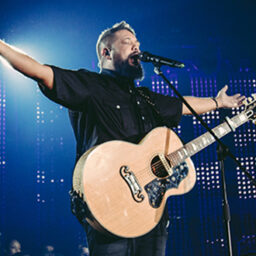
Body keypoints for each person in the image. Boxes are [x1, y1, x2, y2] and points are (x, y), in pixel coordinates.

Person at [0, 21, 244, 256]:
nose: (136, 46)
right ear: (107, 52)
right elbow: (40, 71)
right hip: (107, 204)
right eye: (128, 42)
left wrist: (218, 103)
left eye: (137, 42)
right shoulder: (91, 85)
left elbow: (182, 105)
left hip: (151, 211)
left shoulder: (146, 98)